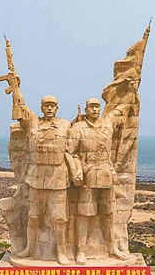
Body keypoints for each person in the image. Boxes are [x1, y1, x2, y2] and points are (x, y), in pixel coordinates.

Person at [11, 94, 73, 264]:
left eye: (53, 105)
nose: (49, 108)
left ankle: (62, 252)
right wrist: (16, 89)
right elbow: (21, 110)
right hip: (36, 176)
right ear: (41, 108)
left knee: (59, 217)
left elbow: (74, 148)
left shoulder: (65, 125)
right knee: (33, 215)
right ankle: (29, 248)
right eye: (46, 105)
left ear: (57, 108)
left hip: (57, 176)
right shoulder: (33, 122)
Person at [66, 98, 129, 264]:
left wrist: (130, 92)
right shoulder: (78, 128)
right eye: (91, 107)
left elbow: (121, 111)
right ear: (86, 109)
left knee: (108, 213)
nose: (94, 110)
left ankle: (112, 248)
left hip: (107, 174)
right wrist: (76, 170)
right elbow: (69, 152)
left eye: (97, 107)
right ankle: (80, 251)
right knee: (84, 214)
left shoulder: (107, 125)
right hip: (88, 175)